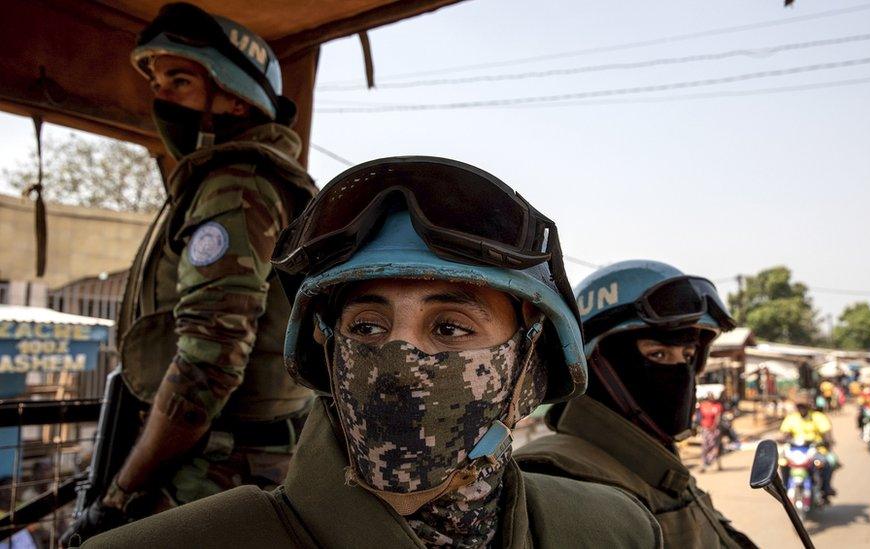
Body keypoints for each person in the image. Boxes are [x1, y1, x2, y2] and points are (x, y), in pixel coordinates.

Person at [82, 157, 664, 548]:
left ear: (528, 370)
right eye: (365, 326)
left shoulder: (612, 531)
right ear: (327, 356)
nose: (397, 364)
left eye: (451, 329)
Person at [64, 3, 317, 543]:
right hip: (230, 459)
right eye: (157, 81)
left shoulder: (236, 184)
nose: (161, 97)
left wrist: (120, 495)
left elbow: (209, 363)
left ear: (235, 97)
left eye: (180, 80)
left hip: (218, 464)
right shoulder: (237, 180)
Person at [516, 261, 756, 548]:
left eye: (688, 355)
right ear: (590, 365)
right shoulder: (561, 479)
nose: (680, 373)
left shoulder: (657, 466)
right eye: (658, 355)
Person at [779, 393, 838, 501]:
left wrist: (827, 441)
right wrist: (783, 439)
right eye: (799, 406)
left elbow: (827, 433)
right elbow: (785, 434)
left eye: (804, 406)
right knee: (782, 462)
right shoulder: (791, 418)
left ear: (809, 406)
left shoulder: (818, 417)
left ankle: (825, 488)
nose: (801, 408)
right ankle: (784, 487)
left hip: (815, 451)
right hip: (795, 451)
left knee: (826, 464)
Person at [699, 392, 724, 472]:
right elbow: (700, 416)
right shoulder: (703, 406)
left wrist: (714, 427)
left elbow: (718, 418)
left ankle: (709, 463)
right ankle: (704, 464)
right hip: (705, 429)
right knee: (705, 447)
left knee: (715, 447)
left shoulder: (718, 406)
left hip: (714, 430)